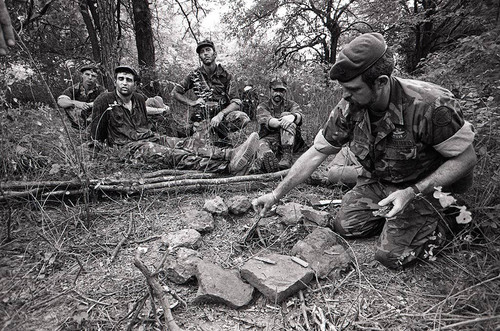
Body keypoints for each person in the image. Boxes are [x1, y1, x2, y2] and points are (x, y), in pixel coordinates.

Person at [252, 33, 477, 269]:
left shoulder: (430, 105)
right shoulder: (350, 107)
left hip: (423, 187)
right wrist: (276, 194)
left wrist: (412, 192)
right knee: (345, 226)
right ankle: (399, 221)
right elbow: (317, 152)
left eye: (352, 89)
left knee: (391, 257)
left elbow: (466, 158)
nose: (345, 95)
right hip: (380, 182)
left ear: (380, 82)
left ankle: (449, 218)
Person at [90, 65, 258, 175]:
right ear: (115, 81)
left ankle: (231, 154)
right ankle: (227, 168)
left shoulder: (139, 99)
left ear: (134, 84)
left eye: (129, 80)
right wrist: (103, 158)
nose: (124, 83)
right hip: (126, 147)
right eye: (121, 79)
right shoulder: (104, 100)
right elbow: (96, 135)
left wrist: (163, 110)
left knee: (185, 143)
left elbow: (148, 116)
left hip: (147, 136)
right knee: (173, 155)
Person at [171, 39, 250, 146]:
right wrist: (192, 102)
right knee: (198, 144)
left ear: (215, 54)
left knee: (242, 118)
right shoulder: (194, 75)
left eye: (208, 50)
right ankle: (201, 134)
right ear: (200, 57)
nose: (205, 53)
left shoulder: (226, 76)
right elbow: (175, 92)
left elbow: (236, 102)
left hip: (221, 118)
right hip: (202, 118)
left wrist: (221, 114)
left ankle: (222, 134)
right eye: (202, 52)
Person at [256, 77, 306, 172]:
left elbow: (300, 116)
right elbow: (269, 122)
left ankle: (287, 157)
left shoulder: (292, 104)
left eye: (281, 91)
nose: (278, 93)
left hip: (292, 140)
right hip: (272, 138)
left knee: (288, 117)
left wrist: (293, 117)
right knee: (260, 144)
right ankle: (268, 161)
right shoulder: (263, 106)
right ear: (270, 90)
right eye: (275, 90)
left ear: (285, 92)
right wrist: (284, 121)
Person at [57, 64, 105, 129]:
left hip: (95, 121)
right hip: (78, 120)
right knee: (68, 104)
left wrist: (92, 104)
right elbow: (60, 101)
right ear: (82, 75)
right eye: (87, 74)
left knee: (104, 106)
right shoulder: (74, 88)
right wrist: (76, 103)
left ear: (96, 78)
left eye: (93, 76)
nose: (90, 77)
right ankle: (78, 128)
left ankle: (92, 129)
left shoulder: (101, 89)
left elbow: (107, 101)